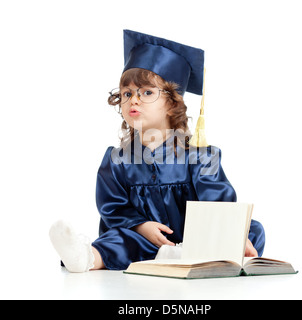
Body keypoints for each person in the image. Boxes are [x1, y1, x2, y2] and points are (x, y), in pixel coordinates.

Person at [49, 30, 265, 273]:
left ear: (173, 102)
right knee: (120, 240)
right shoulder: (117, 160)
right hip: (148, 243)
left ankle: (189, 253)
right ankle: (84, 257)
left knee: (252, 230)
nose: (134, 100)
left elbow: (219, 204)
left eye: (147, 92)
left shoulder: (199, 157)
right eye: (127, 94)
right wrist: (140, 226)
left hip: (200, 241)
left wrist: (233, 234)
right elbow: (113, 208)